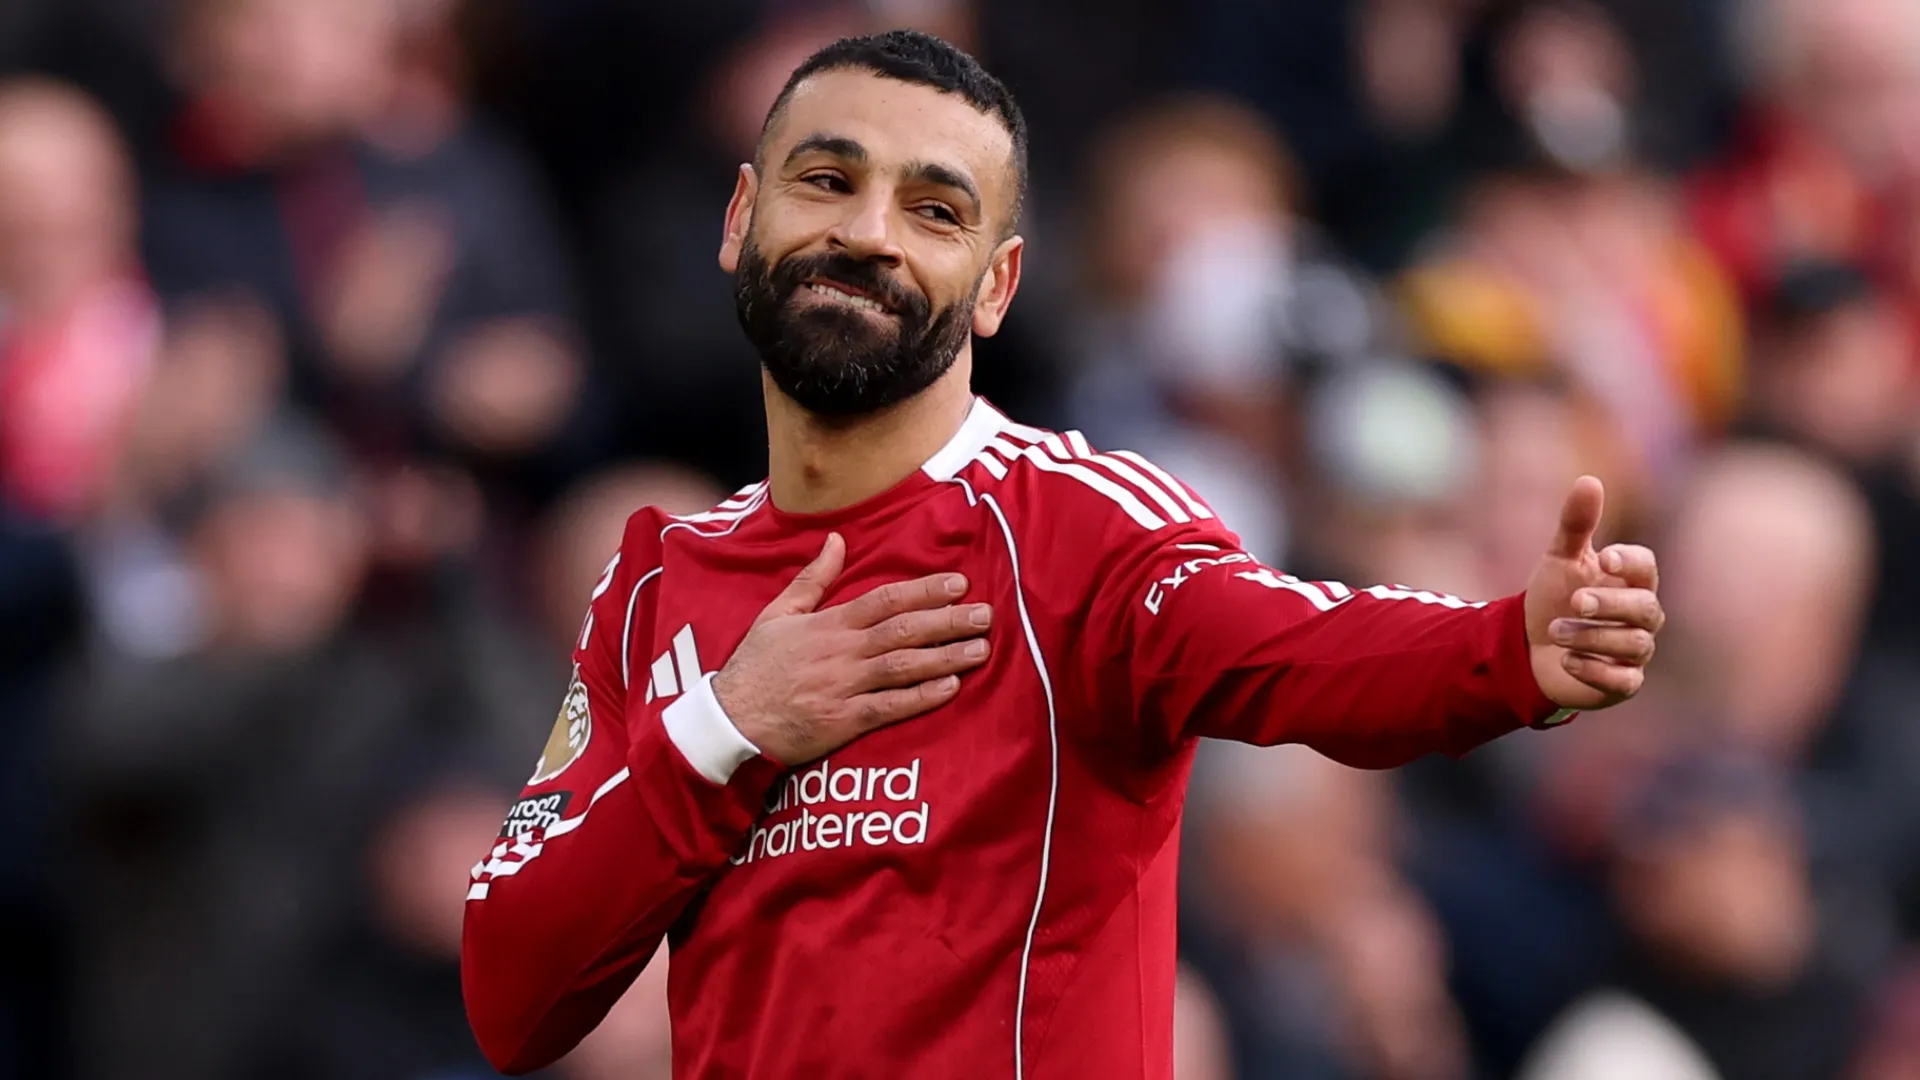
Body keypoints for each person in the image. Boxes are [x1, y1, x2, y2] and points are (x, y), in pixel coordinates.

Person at [459, 30, 1665, 1079]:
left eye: (935, 210)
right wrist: (732, 726)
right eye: (827, 180)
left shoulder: (1081, 527)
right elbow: (512, 996)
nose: (869, 232)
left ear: (998, 287)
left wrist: (1506, 647)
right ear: (740, 220)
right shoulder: (659, 584)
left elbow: (1301, 652)